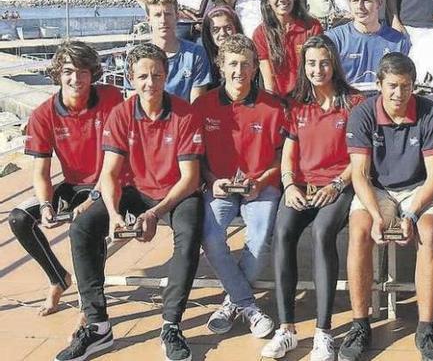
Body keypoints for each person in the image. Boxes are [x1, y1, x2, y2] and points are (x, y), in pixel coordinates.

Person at [60, 43, 204, 361]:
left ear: (166, 76)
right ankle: (98, 326)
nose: (149, 83)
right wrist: (113, 214)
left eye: (156, 75)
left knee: (190, 233)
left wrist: (155, 212)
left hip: (175, 193)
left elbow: (190, 179)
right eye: (142, 76)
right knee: (83, 227)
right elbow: (109, 174)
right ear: (131, 78)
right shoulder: (122, 114)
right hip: (135, 191)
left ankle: (171, 325)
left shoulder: (185, 113)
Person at [343, 53, 433, 361]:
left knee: (428, 233)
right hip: (378, 189)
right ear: (378, 84)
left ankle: (426, 328)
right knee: (360, 231)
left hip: (418, 188)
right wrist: (377, 216)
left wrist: (413, 214)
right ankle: (360, 324)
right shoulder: (363, 114)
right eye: (391, 86)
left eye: (405, 86)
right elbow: (360, 175)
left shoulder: (430, 112)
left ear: (414, 86)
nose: (398, 94)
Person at [262, 35, 362, 360]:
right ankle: (287, 328)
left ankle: (323, 331)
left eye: (323, 62)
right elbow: (288, 155)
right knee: (284, 233)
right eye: (311, 63)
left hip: (339, 186)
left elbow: (360, 159)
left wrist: (336, 184)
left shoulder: (354, 103)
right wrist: (289, 185)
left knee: (322, 235)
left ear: (334, 64)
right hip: (302, 187)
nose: (317, 69)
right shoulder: (296, 105)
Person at [10, 42, 123, 318]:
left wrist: (95, 196)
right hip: (73, 184)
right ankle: (58, 279)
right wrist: (46, 204)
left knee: (87, 223)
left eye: (83, 71)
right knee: (19, 218)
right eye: (69, 71)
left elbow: (119, 160)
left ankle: (91, 303)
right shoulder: (43, 114)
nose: (76, 79)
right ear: (58, 74)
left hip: (112, 183)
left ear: (93, 73)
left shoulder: (111, 98)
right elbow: (41, 171)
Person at [195, 35, 284, 340]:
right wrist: (210, 180)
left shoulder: (272, 107)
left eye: (245, 63)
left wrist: (259, 182)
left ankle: (231, 304)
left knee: (259, 242)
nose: (239, 70)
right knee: (210, 236)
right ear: (221, 67)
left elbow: (282, 157)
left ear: (254, 69)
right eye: (232, 63)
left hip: (261, 187)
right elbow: (196, 157)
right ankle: (247, 305)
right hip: (219, 186)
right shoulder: (203, 105)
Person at [325, 0, 410, 88]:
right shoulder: (334, 39)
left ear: (379, 3)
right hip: (347, 101)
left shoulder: (399, 41)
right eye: (355, 0)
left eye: (366, 0)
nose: (360, 6)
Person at [253, 0, 323, 97]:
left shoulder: (312, 27)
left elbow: (318, 72)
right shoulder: (260, 33)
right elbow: (269, 83)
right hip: (279, 101)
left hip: (309, 98)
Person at [142, 0, 212, 102]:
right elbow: (133, 104)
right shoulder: (138, 57)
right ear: (148, 20)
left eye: (168, 14)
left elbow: (196, 104)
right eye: (157, 15)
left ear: (177, 17)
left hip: (185, 117)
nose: (163, 20)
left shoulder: (196, 54)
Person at [200, 5, 245, 90]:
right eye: (216, 29)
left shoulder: (248, 55)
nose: (223, 33)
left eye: (228, 28)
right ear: (209, 33)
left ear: (236, 28)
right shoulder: (203, 59)